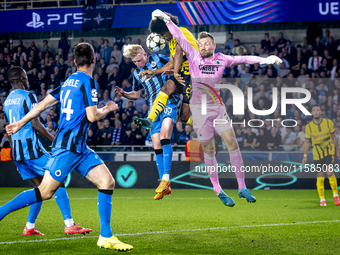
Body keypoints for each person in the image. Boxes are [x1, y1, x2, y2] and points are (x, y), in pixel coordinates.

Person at [3, 43, 133, 251]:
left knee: (107, 182)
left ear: (74, 62)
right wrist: (108, 108)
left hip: (79, 148)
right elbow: (92, 116)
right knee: (44, 192)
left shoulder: (68, 81)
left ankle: (106, 236)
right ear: (94, 59)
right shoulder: (88, 82)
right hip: (67, 148)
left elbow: (42, 105)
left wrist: (19, 122)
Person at [149, 9, 281, 206]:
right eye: (201, 44)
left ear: (213, 45)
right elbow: (177, 33)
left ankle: (242, 187)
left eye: (207, 44)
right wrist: (166, 19)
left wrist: (264, 60)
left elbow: (243, 59)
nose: (203, 46)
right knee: (209, 150)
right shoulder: (193, 56)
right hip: (200, 112)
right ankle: (218, 189)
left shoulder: (222, 58)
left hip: (217, 109)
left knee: (232, 143)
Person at [2, 67, 91, 236]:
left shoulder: (6, 101)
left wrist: (15, 155)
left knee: (41, 190)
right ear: (22, 78)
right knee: (59, 180)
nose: (28, 79)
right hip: (33, 152)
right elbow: (35, 124)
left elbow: (9, 130)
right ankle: (70, 224)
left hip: (19, 153)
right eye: (26, 77)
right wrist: (54, 140)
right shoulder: (28, 96)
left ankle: (29, 227)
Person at [116, 44, 179, 200]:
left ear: (145, 54)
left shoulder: (158, 58)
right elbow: (136, 94)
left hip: (168, 101)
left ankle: (166, 178)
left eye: (139, 60)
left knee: (165, 137)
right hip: (152, 109)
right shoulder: (137, 73)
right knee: (156, 145)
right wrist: (124, 94)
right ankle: (163, 185)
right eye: (135, 62)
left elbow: (173, 63)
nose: (138, 63)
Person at [133, 11, 198, 131]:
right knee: (166, 88)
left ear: (169, 28)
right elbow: (171, 63)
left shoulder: (182, 32)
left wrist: (176, 72)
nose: (162, 38)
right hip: (183, 74)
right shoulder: (171, 41)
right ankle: (149, 120)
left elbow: (179, 52)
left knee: (184, 117)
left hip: (195, 76)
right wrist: (154, 72)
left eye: (162, 34)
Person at [302, 105, 340, 207]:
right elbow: (306, 141)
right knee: (320, 175)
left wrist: (338, 151)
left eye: (317, 110)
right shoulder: (309, 126)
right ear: (312, 113)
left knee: (329, 171)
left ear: (320, 112)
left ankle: (335, 195)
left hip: (329, 150)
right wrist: (305, 155)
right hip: (317, 153)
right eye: (314, 110)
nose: (316, 112)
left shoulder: (328, 123)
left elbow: (334, 137)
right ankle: (322, 199)